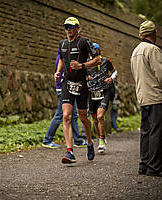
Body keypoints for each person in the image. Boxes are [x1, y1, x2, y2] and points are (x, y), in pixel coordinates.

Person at [55, 17, 101, 163]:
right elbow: (62, 58)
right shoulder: (62, 43)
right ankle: (69, 152)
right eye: (66, 27)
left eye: (71, 27)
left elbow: (97, 59)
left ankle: (89, 141)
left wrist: (82, 66)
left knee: (83, 118)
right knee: (66, 116)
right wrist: (58, 72)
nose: (68, 29)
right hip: (67, 83)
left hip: (82, 84)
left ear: (78, 28)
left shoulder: (84, 41)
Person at [131, 20, 162, 177]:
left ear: (141, 34)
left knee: (145, 131)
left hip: (142, 96)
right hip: (156, 96)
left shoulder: (135, 51)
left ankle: (143, 165)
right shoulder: (153, 50)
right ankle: (154, 167)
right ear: (154, 33)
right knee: (157, 131)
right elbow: (160, 74)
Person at [42, 50, 87, 148]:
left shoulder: (63, 57)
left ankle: (78, 140)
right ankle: (47, 140)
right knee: (60, 115)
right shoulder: (62, 58)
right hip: (63, 89)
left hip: (68, 89)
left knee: (74, 115)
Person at [87, 43, 117, 154]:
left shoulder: (105, 61)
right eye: (92, 50)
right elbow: (81, 75)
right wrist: (86, 77)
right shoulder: (87, 63)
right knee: (95, 119)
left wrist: (111, 78)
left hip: (104, 91)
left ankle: (101, 140)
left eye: (96, 50)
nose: (94, 52)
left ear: (99, 51)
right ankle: (100, 137)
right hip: (92, 93)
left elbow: (115, 71)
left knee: (100, 116)